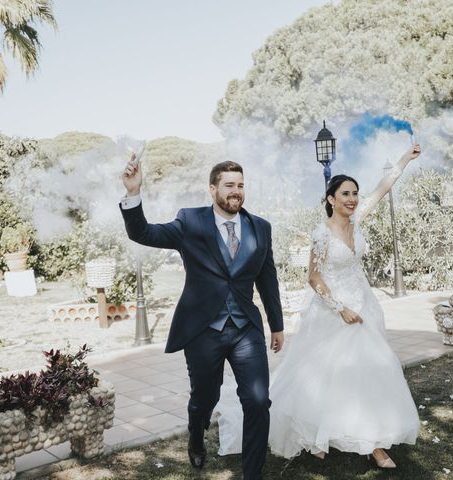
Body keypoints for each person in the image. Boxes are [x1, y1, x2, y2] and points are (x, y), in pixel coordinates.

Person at [217, 144, 422, 469]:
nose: (352, 198)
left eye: (355, 193)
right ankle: (318, 435)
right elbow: (313, 278)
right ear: (331, 199)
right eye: (345, 194)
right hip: (333, 312)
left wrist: (404, 160)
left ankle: (375, 444)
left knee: (373, 370)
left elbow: (383, 188)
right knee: (325, 378)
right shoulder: (322, 235)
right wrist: (339, 307)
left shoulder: (358, 219)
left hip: (364, 306)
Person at [119, 156, 284, 480]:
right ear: (213, 189)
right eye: (229, 185)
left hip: (244, 330)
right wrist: (134, 193)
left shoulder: (260, 227)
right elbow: (144, 233)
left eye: (240, 185)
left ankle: (253, 474)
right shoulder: (190, 222)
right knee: (204, 397)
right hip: (202, 330)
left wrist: (276, 325)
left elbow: (267, 278)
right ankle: (197, 430)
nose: (236, 191)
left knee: (258, 399)